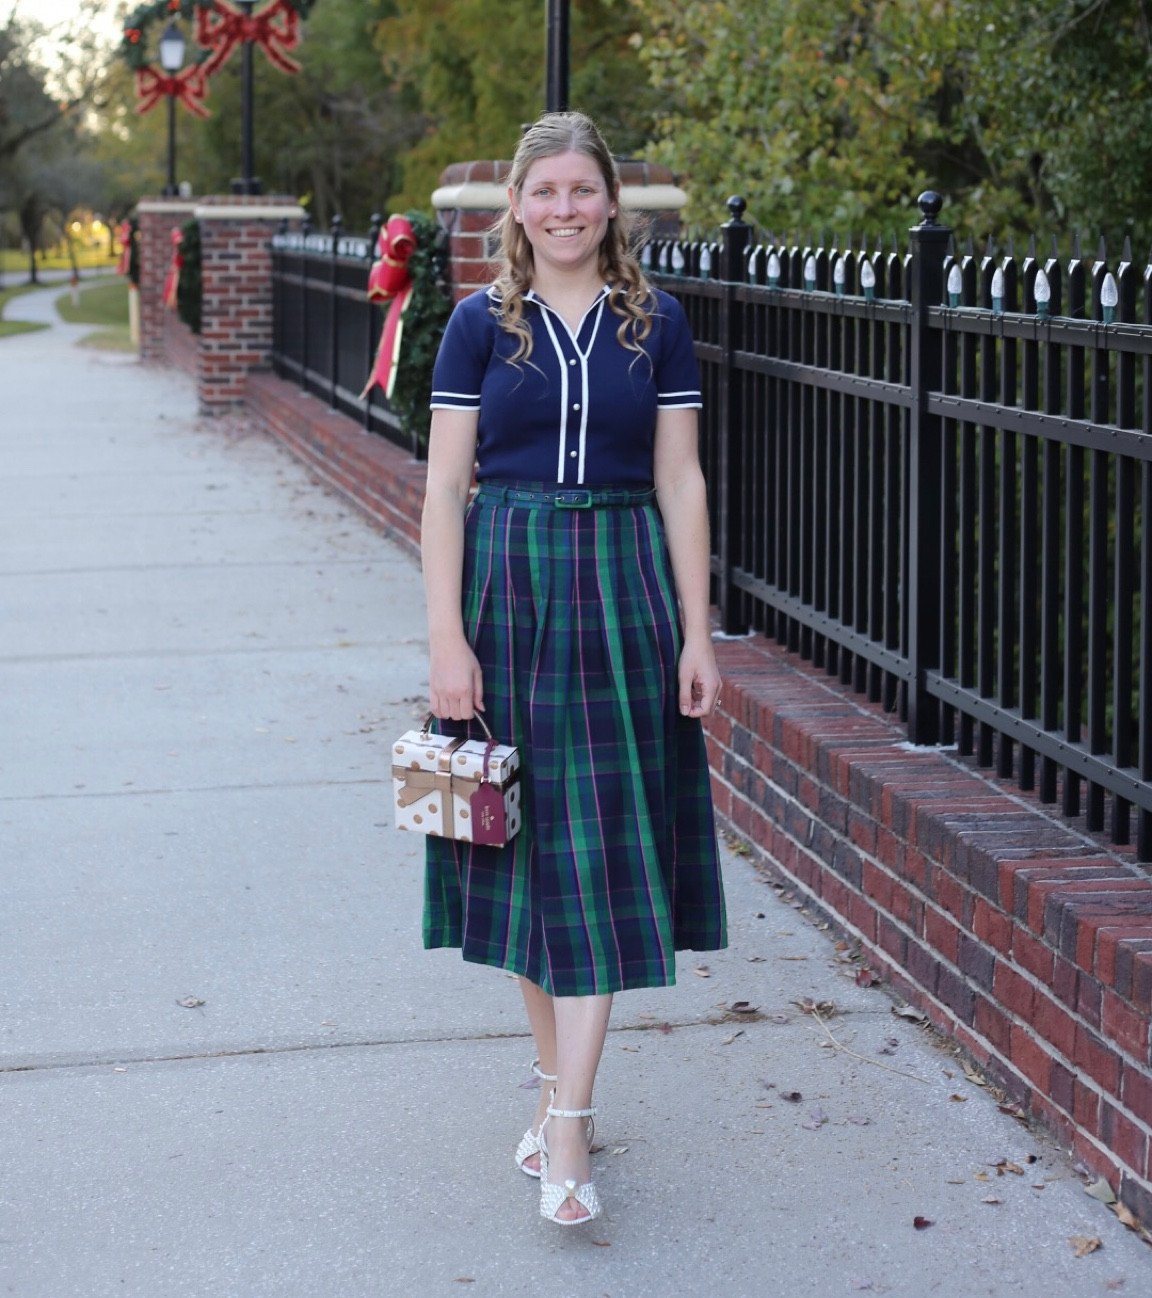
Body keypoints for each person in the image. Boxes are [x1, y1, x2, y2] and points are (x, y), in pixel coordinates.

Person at [420, 110, 727, 1227]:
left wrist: (699, 632)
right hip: (506, 587)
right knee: (523, 858)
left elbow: (682, 485)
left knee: (601, 857)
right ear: (516, 205)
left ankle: (567, 1132)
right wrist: (447, 638)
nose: (563, 209)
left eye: (581, 190)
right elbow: (443, 491)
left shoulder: (660, 326)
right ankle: (563, 1092)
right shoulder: (473, 326)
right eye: (543, 190)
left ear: (612, 205)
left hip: (622, 586)